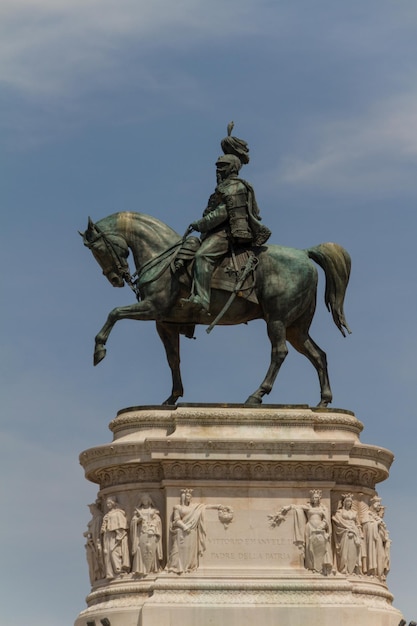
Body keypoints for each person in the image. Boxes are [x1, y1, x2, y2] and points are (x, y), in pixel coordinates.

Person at [183, 127, 270, 312]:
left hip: (227, 233)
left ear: (230, 168)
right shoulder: (224, 187)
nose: (217, 172)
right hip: (217, 232)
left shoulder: (236, 187)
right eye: (217, 168)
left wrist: (200, 224)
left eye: (221, 168)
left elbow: (223, 213)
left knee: (202, 256)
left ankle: (202, 299)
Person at [276, 490, 333, 575]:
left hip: (320, 529)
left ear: (319, 498)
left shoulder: (323, 508)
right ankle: (311, 567)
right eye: (313, 497)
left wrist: (322, 525)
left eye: (316, 497)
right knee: (310, 548)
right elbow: (297, 507)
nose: (314, 499)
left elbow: (326, 520)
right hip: (310, 527)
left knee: (321, 548)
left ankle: (321, 568)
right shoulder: (308, 507)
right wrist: (288, 507)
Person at [130, 493, 163, 576]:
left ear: (149, 501)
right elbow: (133, 522)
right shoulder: (138, 511)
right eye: (143, 500)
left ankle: (153, 568)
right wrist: (138, 520)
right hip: (141, 533)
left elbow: (157, 521)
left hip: (151, 533)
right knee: (139, 549)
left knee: (152, 550)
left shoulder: (153, 511)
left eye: (146, 500)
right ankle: (140, 569)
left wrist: (152, 527)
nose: (145, 501)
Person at [332, 494, 362, 575]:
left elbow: (358, 524)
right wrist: (348, 528)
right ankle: (343, 569)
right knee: (344, 553)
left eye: (350, 502)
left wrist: (357, 532)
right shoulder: (340, 512)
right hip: (344, 533)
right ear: (344, 502)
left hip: (354, 533)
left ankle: (351, 570)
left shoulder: (354, 513)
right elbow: (337, 521)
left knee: (353, 553)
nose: (349, 503)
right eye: (347, 501)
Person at [101, 497, 130, 580]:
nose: (108, 505)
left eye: (109, 503)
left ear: (114, 503)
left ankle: (118, 570)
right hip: (107, 535)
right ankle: (109, 573)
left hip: (114, 535)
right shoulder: (108, 514)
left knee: (113, 551)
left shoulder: (118, 513)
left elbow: (121, 525)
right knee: (106, 553)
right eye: (107, 503)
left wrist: (119, 534)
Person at [361, 496, 390, 579]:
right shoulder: (367, 514)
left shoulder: (376, 516)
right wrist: (376, 524)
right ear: (372, 504)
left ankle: (378, 574)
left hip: (378, 541)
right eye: (377, 504)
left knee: (381, 556)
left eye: (379, 504)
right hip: (371, 541)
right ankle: (371, 572)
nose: (378, 506)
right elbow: (366, 525)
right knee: (374, 554)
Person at [84, 498, 104, 584]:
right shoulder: (96, 519)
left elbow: (97, 532)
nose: (91, 512)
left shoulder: (99, 518)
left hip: (98, 542)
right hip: (92, 544)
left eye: (91, 510)